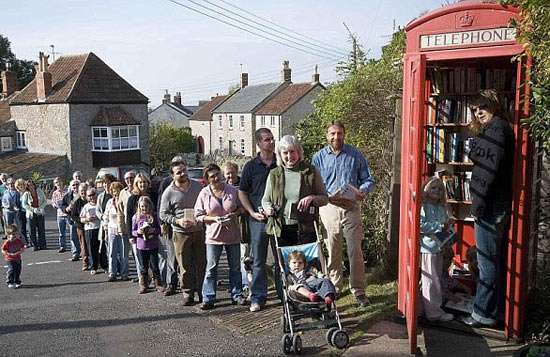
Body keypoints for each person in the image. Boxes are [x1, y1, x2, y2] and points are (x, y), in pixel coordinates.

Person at [460, 89, 514, 328]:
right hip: (496, 201)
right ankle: (498, 308)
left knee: (486, 262)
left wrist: (477, 205)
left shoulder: (496, 130)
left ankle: (483, 314)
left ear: (493, 105)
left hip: (490, 204)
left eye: (482, 106)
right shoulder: (500, 128)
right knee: (493, 260)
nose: (478, 112)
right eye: (474, 109)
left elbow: (487, 173)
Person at [312, 120, 375, 307]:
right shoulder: (318, 157)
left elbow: (368, 179)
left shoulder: (355, 154)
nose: (336, 137)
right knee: (333, 250)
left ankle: (359, 290)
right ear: (327, 136)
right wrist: (326, 196)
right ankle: (335, 287)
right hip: (329, 207)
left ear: (344, 135)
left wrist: (363, 190)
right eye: (332, 134)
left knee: (355, 250)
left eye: (339, 133)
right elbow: (313, 183)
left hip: (351, 207)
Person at [262, 135, 328, 302]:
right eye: (285, 153)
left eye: (292, 152)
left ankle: (310, 300)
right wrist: (267, 208)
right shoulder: (274, 174)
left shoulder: (310, 172)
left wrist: (312, 197)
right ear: (280, 154)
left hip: (305, 227)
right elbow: (265, 199)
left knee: (308, 265)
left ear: (299, 153)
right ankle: (287, 301)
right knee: (283, 267)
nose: (289, 156)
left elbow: (324, 198)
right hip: (281, 228)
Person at [195, 164, 245, 310]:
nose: (216, 178)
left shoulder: (232, 190)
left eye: (217, 174)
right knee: (211, 268)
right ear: (207, 179)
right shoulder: (204, 193)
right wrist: (213, 219)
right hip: (213, 236)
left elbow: (242, 207)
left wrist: (235, 214)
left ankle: (237, 295)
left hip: (232, 235)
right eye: (212, 176)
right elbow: (198, 215)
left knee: (235, 267)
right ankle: (208, 297)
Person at [238, 128, 278, 312]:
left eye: (272, 139)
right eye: (267, 139)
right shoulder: (250, 166)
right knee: (258, 260)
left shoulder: (281, 162)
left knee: (281, 259)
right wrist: (251, 212)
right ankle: (258, 297)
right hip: (258, 220)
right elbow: (242, 192)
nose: (271, 142)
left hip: (279, 219)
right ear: (259, 144)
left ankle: (284, 294)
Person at [160, 159, 205, 305]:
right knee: (184, 266)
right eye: (179, 172)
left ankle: (203, 293)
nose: (183, 174)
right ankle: (188, 294)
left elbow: (205, 204)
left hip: (199, 231)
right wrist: (178, 221)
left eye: (184, 170)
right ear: (173, 175)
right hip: (180, 233)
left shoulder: (198, 186)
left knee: (201, 263)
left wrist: (202, 217)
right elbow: (163, 214)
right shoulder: (168, 192)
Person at [418, 176, 454, 322]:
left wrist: (449, 225)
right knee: (430, 280)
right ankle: (434, 313)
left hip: (439, 247)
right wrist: (439, 226)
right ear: (425, 189)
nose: (437, 191)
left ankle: (423, 308)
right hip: (428, 248)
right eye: (433, 187)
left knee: (435, 278)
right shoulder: (423, 207)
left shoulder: (442, 207)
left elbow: (445, 224)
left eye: (440, 189)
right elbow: (419, 225)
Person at [222, 161, 252, 299]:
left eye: (232, 172)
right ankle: (236, 284)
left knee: (244, 256)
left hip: (243, 225)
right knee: (233, 259)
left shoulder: (243, 185)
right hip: (228, 228)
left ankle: (245, 285)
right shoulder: (223, 188)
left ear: (237, 172)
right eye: (227, 173)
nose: (230, 176)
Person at [157, 155, 186, 296]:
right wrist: (162, 223)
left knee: (187, 257)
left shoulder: (190, 182)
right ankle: (171, 284)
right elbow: (160, 206)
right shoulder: (166, 183)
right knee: (172, 256)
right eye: (175, 165)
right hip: (171, 224)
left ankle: (186, 283)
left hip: (189, 226)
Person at [126, 173, 156, 284]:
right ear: (136, 184)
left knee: (158, 258)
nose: (142, 184)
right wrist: (130, 235)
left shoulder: (154, 195)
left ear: (148, 183)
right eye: (140, 182)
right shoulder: (132, 199)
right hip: (138, 235)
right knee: (140, 260)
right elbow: (128, 218)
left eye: (144, 182)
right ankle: (143, 282)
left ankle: (158, 280)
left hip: (154, 234)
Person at [131, 196, 163, 294]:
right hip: (141, 245)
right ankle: (144, 284)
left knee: (154, 265)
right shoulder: (136, 217)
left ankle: (158, 283)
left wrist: (153, 230)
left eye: (145, 206)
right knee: (143, 266)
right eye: (142, 207)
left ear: (149, 206)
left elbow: (159, 229)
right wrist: (138, 232)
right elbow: (133, 231)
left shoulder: (154, 216)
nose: (144, 208)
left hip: (153, 245)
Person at [102, 181, 129, 281]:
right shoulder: (109, 202)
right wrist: (106, 232)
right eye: (113, 191)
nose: (115, 193)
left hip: (123, 230)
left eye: (117, 190)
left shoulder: (124, 200)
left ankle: (124, 273)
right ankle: (112, 273)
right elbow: (106, 217)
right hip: (112, 229)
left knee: (124, 254)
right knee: (112, 253)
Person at [80, 188, 108, 275]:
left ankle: (105, 266)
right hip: (90, 229)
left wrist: (98, 216)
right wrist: (87, 219)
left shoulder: (99, 205)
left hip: (100, 228)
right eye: (89, 196)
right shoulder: (86, 207)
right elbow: (81, 218)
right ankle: (94, 266)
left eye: (93, 195)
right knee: (92, 250)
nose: (92, 197)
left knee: (102, 249)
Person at [117, 170, 136, 281]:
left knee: (141, 252)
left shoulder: (139, 190)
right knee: (127, 253)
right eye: (127, 179)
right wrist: (121, 228)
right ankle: (128, 274)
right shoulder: (123, 193)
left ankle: (146, 275)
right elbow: (120, 212)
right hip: (127, 225)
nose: (129, 180)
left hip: (139, 225)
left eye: (131, 178)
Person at [69, 183, 90, 270]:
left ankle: (96, 261)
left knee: (93, 244)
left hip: (92, 226)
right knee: (83, 245)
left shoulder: (92, 200)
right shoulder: (77, 202)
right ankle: (85, 262)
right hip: (81, 227)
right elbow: (73, 216)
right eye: (81, 191)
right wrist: (81, 220)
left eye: (85, 190)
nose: (83, 192)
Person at [21, 180, 48, 251]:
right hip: (31, 214)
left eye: (32, 185)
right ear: (27, 187)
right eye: (29, 185)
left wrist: (40, 208)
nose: (31, 186)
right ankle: (34, 245)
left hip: (40, 213)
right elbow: (24, 204)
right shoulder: (26, 193)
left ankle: (43, 245)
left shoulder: (39, 191)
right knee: (31, 230)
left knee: (41, 230)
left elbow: (45, 201)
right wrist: (33, 209)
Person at [60, 179, 82, 261]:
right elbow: (62, 205)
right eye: (73, 185)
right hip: (72, 220)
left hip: (82, 220)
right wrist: (66, 209)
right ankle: (76, 253)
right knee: (73, 237)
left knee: (83, 238)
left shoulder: (83, 194)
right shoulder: (68, 196)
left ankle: (85, 253)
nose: (75, 186)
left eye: (77, 184)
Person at [51, 177, 69, 253]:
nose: (58, 183)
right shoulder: (54, 193)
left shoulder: (67, 191)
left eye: (59, 182)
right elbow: (53, 202)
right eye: (56, 182)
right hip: (60, 214)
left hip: (68, 214)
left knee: (72, 232)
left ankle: (74, 247)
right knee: (61, 233)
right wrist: (55, 205)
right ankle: (62, 246)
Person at [14, 179, 30, 247]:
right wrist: (15, 207)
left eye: (23, 184)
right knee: (22, 228)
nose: (22, 186)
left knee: (30, 228)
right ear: (17, 186)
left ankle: (32, 241)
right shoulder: (17, 194)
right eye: (20, 185)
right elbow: (14, 203)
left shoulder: (28, 192)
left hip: (28, 211)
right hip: (20, 212)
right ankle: (25, 243)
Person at [0, 173, 8, 239]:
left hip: (14, 207)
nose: (4, 179)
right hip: (4, 207)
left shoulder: (11, 185)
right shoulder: (0, 187)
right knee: (4, 221)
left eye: (5, 178)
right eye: (2, 178)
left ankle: (17, 234)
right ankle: (6, 234)